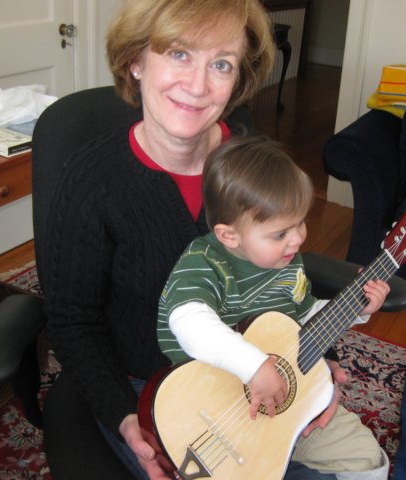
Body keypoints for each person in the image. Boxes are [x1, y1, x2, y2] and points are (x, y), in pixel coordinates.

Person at [41, 0, 363, 479]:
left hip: (263, 373)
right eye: (179, 54)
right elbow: (73, 320)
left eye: (221, 64)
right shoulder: (90, 182)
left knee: (356, 466)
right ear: (135, 61)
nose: (197, 85)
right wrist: (125, 417)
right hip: (152, 390)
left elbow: (279, 271)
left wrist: (313, 358)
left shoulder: (253, 160)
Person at [157, 135, 391, 479]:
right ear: (229, 236)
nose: (297, 239)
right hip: (216, 409)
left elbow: (302, 319)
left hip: (287, 403)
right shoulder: (204, 264)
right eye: (280, 233)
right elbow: (188, 322)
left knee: (369, 461)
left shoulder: (288, 262)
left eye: (300, 222)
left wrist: (356, 308)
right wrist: (254, 367)